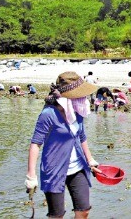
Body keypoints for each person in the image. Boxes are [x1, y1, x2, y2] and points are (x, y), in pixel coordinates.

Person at [25, 71, 101, 219]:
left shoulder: (77, 112)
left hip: (77, 168)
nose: (83, 98)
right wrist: (31, 176)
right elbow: (35, 144)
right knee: (57, 216)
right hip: (54, 170)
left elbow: (81, 136)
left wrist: (90, 160)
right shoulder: (48, 114)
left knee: (84, 210)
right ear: (67, 96)